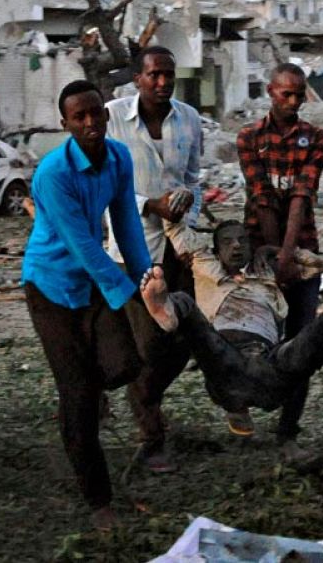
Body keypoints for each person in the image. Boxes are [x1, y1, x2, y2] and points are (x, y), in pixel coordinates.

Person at [137, 220, 323, 419]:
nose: (236, 246)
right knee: (185, 304)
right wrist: (171, 203)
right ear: (215, 249)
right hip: (224, 362)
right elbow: (175, 229)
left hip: (271, 364)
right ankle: (167, 314)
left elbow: (316, 265)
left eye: (243, 240)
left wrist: (280, 253)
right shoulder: (203, 265)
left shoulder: (267, 272)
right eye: (228, 241)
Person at [20, 80, 153, 530]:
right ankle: (99, 501)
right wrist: (126, 290)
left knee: (125, 365)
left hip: (94, 280)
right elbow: (82, 246)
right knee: (78, 394)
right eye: (80, 117)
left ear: (106, 114)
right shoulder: (53, 173)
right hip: (51, 287)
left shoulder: (118, 157)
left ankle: (81, 399)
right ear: (66, 125)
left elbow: (126, 222)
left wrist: (146, 276)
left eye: (96, 113)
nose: (91, 123)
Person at [105, 45, 211, 473]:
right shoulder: (111, 117)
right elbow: (101, 185)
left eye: (168, 74)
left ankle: (146, 404)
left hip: (179, 250)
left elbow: (194, 179)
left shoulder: (188, 118)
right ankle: (152, 437)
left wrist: (189, 208)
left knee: (183, 338)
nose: (162, 82)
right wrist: (150, 205)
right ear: (138, 79)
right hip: (132, 249)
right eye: (154, 75)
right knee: (147, 345)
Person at [233, 63, 323, 455]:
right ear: (270, 92)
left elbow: (299, 199)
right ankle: (241, 405)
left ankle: (288, 432)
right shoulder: (248, 138)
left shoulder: (316, 138)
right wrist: (274, 262)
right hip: (257, 255)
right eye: (284, 94)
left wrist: (288, 259)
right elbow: (262, 198)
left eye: (298, 94)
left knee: (302, 343)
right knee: (249, 338)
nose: (292, 102)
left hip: (302, 252)